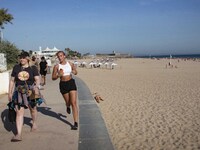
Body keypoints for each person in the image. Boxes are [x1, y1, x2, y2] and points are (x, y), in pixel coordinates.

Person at [8, 51, 41, 142]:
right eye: (20, 57)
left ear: (27, 58)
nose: (21, 59)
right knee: (19, 112)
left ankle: (34, 123)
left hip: (31, 91)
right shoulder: (16, 67)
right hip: (18, 91)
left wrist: (36, 86)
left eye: (23, 57)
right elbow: (12, 81)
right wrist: (9, 92)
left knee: (33, 109)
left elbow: (37, 79)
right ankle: (18, 134)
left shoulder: (33, 68)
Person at [52, 51, 78, 130]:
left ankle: (75, 122)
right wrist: (58, 75)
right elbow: (53, 78)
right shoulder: (56, 66)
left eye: (61, 56)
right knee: (68, 102)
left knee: (73, 102)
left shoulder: (70, 64)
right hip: (63, 85)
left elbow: (76, 72)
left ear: (64, 56)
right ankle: (67, 105)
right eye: (58, 56)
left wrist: (74, 71)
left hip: (71, 83)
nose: (60, 57)